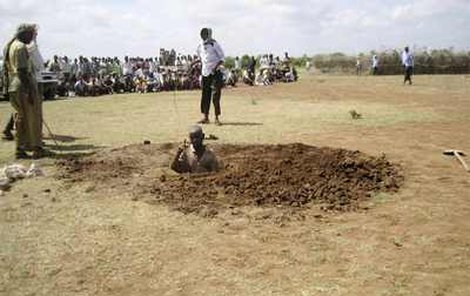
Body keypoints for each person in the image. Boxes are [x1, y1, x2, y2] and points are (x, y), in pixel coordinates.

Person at [3, 24, 46, 158]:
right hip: (23, 86)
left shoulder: (10, 46)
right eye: (32, 35)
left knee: (21, 119)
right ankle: (36, 148)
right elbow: (22, 71)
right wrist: (29, 92)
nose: (32, 38)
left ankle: (20, 148)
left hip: (14, 86)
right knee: (33, 118)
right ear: (26, 34)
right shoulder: (20, 47)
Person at [196, 28, 225, 125]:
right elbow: (201, 58)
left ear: (209, 34)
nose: (204, 36)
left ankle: (216, 118)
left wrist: (215, 68)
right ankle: (205, 117)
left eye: (206, 34)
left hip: (215, 73)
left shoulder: (214, 44)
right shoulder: (200, 45)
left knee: (215, 96)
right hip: (205, 73)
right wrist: (193, 63)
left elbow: (222, 58)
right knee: (205, 95)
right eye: (202, 34)